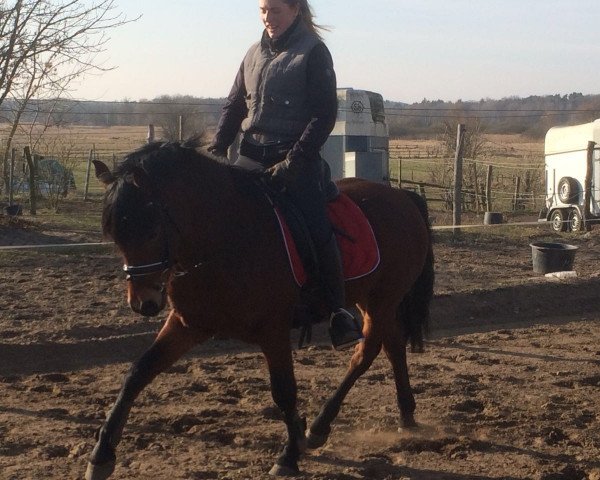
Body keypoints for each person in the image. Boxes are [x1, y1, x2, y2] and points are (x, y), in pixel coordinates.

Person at [208, 0, 363, 350]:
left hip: (295, 161)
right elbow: (235, 104)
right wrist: (218, 147)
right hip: (250, 155)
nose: (268, 18)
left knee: (315, 226)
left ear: (295, 10)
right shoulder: (251, 54)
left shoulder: (314, 53)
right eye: (263, 10)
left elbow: (323, 115)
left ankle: (339, 311)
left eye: (275, 10)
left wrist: (294, 161)